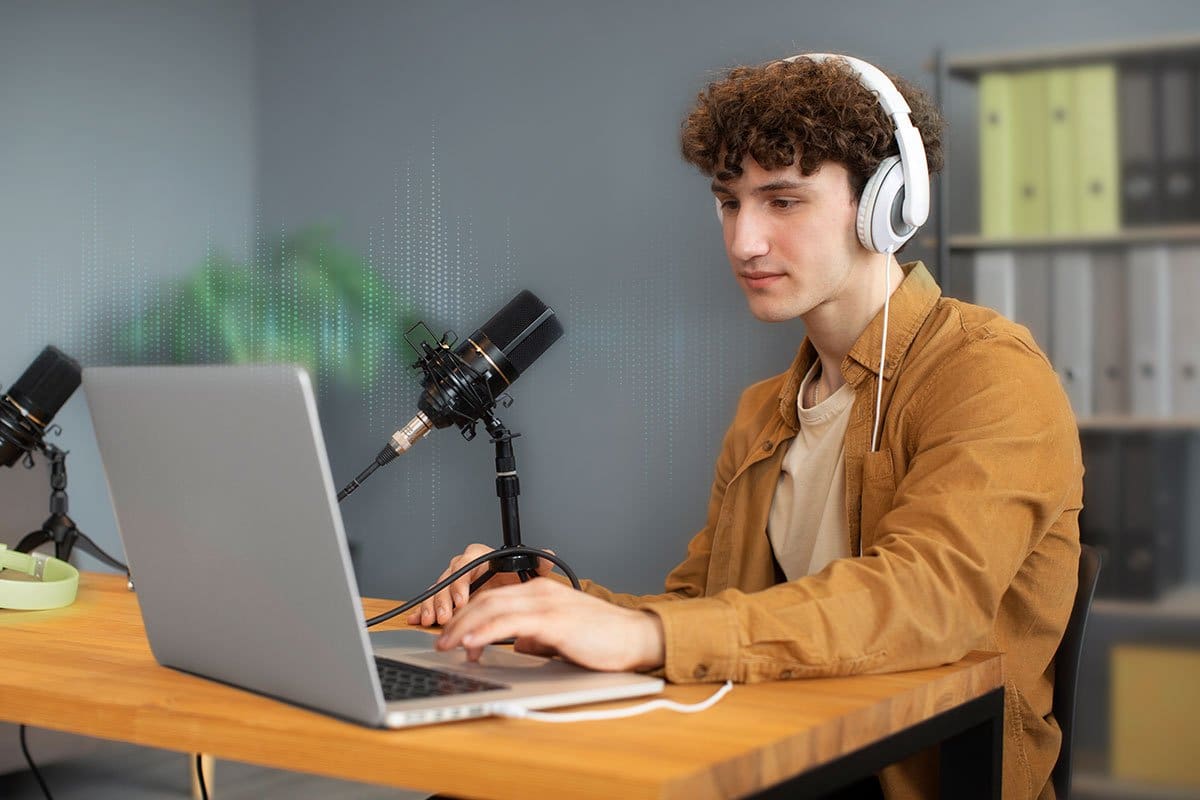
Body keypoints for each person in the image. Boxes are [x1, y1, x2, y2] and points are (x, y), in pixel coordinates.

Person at [411, 53, 1082, 800]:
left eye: (783, 201)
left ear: (886, 204)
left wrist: (648, 636)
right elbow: (706, 617)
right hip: (772, 760)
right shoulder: (765, 411)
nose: (744, 242)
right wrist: (546, 596)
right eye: (730, 204)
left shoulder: (989, 374)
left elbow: (930, 599)